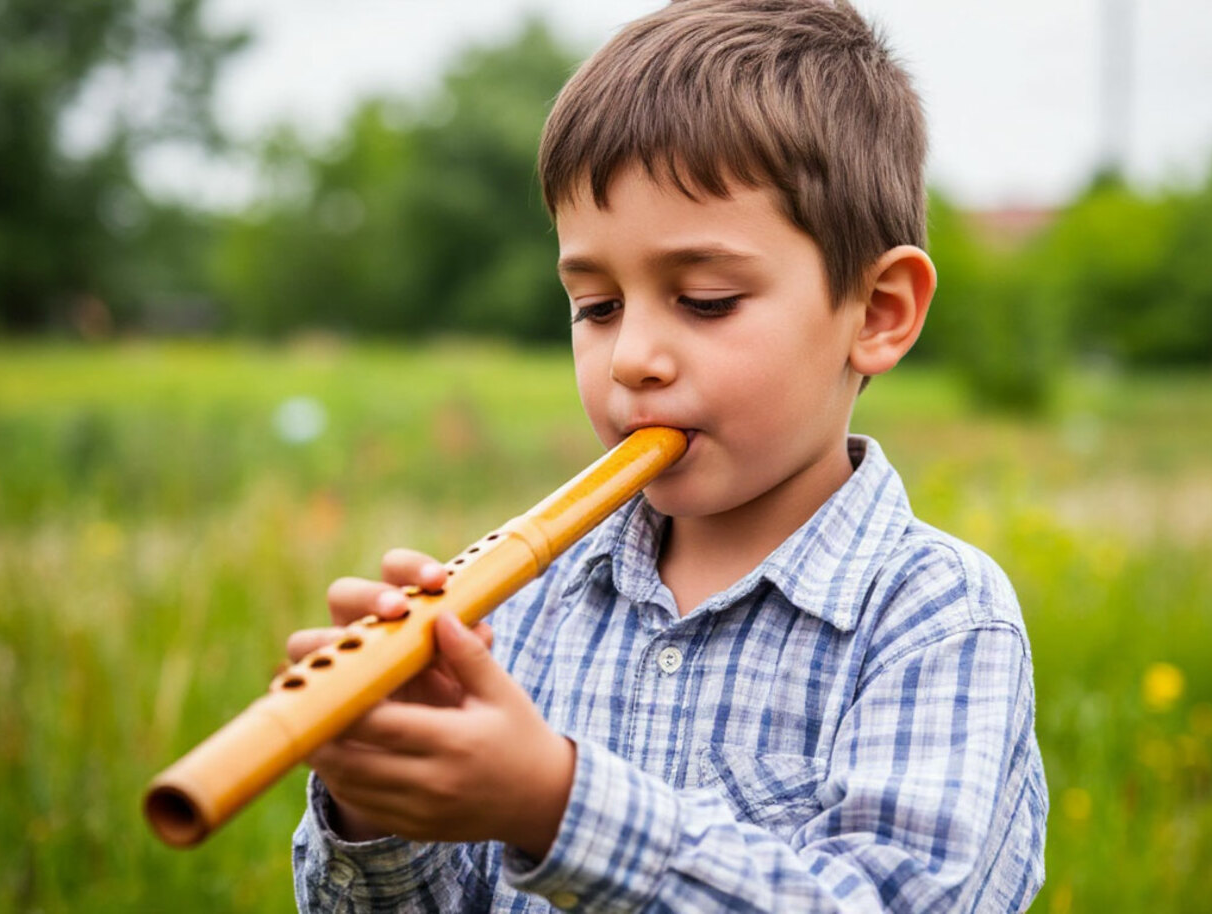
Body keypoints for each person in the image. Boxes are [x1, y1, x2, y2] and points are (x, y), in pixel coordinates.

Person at [290, 1, 1047, 909]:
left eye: (706, 299)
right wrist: (379, 803)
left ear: (878, 312)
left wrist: (555, 805)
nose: (631, 358)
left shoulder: (936, 618)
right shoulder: (524, 604)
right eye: (597, 308)